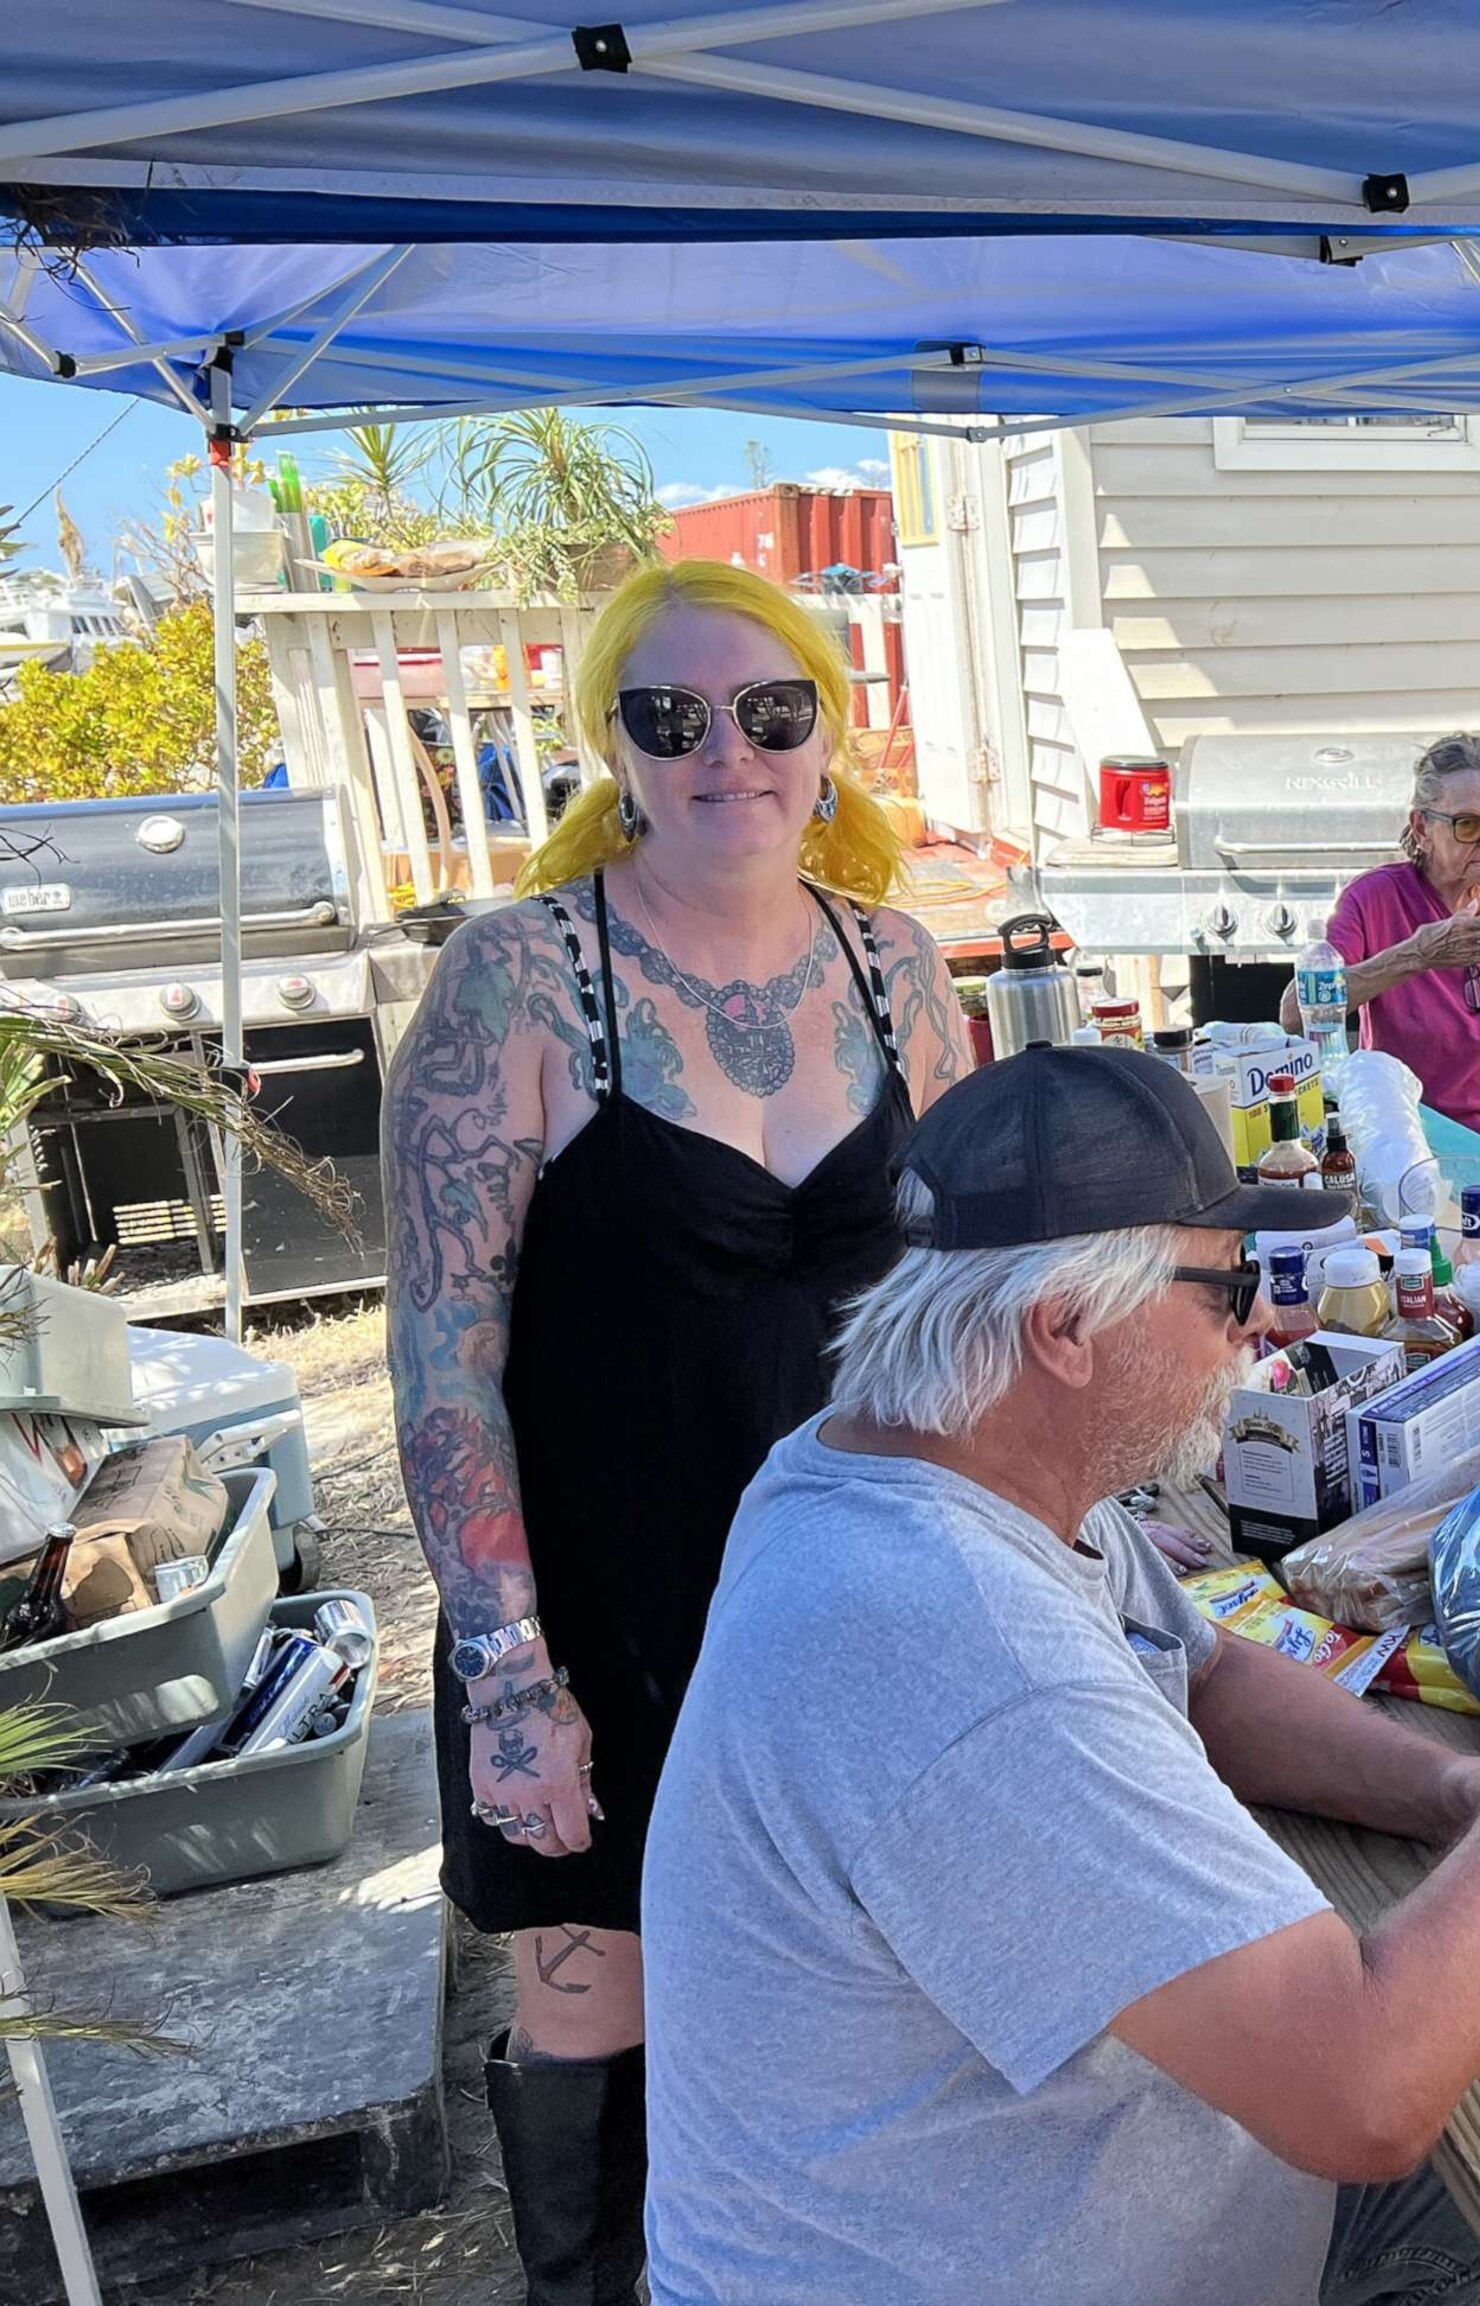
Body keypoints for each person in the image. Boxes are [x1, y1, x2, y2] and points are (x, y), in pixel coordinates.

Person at [640, 1046, 1480, 2302]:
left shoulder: (935, 1459)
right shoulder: (958, 1636)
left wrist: (1461, 1793)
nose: (1266, 1319)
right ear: (1065, 1324)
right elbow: (1363, 2090)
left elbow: (1203, 1677)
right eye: (1228, 1285)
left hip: (1147, 2195)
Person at [383, 559, 969, 2304]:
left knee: (851, 2019)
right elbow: (438, 1353)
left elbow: (964, 1282)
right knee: (604, 2041)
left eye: (770, 710)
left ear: (823, 729)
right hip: (605, 1630)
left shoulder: (896, 965)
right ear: (612, 750)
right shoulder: (521, 979)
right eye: (672, 717)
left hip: (858, 1613)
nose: (730, 752)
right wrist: (510, 1677)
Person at [1282, 731, 1480, 1164]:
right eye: (1469, 824)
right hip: (1413, 1158)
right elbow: (1291, 1013)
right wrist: (1415, 956)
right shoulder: (1374, 898)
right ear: (1422, 828)